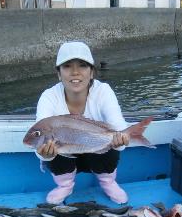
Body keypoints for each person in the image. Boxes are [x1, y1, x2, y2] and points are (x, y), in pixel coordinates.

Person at [35, 41, 130, 205]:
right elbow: (38, 137)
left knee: (109, 141)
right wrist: (44, 153)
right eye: (67, 66)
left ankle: (108, 182)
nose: (75, 72)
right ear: (59, 74)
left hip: (97, 152)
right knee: (52, 143)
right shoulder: (48, 97)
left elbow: (120, 128)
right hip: (65, 156)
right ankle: (65, 186)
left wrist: (121, 139)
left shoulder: (103, 91)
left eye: (83, 66)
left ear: (92, 72)